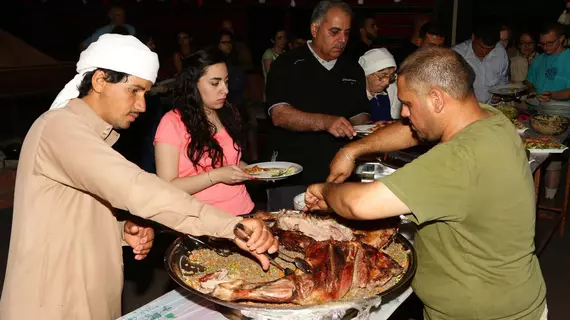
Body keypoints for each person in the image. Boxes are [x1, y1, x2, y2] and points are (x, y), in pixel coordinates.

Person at [0, 34, 278, 320]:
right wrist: (231, 227)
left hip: (90, 293)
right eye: (134, 90)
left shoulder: (91, 135)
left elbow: (71, 214)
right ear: (99, 81)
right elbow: (135, 188)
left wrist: (120, 231)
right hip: (51, 301)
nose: (142, 105)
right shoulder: (59, 128)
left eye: (145, 93)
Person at [306, 47, 547, 320]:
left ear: (436, 99)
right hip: (506, 299)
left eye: (408, 103)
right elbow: (412, 132)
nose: (404, 113)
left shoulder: (459, 158)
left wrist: (326, 190)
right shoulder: (488, 118)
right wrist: (351, 151)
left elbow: (359, 204)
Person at [265, 0, 370, 210]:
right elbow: (279, 114)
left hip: (339, 174)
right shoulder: (287, 64)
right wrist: (326, 122)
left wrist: (368, 128)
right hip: (294, 173)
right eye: (335, 32)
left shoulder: (353, 69)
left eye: (347, 33)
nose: (342, 40)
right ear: (314, 28)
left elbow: (360, 115)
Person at [154, 49, 254, 216]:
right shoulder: (172, 122)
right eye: (215, 83)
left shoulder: (228, 112)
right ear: (193, 84)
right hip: (201, 221)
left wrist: (251, 170)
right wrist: (216, 176)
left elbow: (231, 161)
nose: (225, 90)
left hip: (243, 211)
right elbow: (167, 185)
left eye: (226, 81)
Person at [524, 22, 570, 200]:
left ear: (562, 39)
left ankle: (549, 201)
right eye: (542, 44)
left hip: (562, 115)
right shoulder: (539, 59)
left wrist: (553, 95)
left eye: (549, 43)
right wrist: (530, 91)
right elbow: (529, 82)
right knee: (529, 153)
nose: (545, 47)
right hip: (537, 113)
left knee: (553, 156)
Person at [453, 23, 509, 104]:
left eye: (490, 49)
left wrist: (500, 93)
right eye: (481, 47)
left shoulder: (501, 53)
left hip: (491, 108)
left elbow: (503, 78)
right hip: (465, 109)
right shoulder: (457, 55)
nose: (485, 52)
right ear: (473, 37)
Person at [358, 48, 401, 121]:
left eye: (390, 76)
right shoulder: (355, 94)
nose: (387, 82)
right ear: (367, 74)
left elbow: (396, 120)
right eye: (382, 76)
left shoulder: (392, 89)